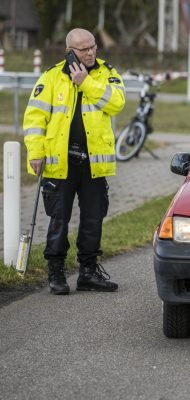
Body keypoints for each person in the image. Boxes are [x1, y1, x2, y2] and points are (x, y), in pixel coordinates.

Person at [23, 28, 125, 295]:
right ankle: (56, 273)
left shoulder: (107, 73)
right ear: (69, 51)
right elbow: (34, 118)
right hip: (60, 163)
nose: (90, 52)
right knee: (59, 219)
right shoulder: (51, 77)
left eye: (93, 46)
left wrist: (85, 82)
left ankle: (88, 273)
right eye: (83, 49)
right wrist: (35, 152)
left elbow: (116, 103)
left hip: (93, 164)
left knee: (93, 219)